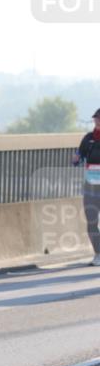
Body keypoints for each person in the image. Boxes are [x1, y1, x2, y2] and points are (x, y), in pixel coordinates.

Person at [72, 107, 100, 266]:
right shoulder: (88, 138)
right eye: (95, 118)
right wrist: (76, 159)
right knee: (91, 222)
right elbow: (78, 158)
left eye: (99, 118)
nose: (97, 121)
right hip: (91, 187)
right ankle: (98, 253)